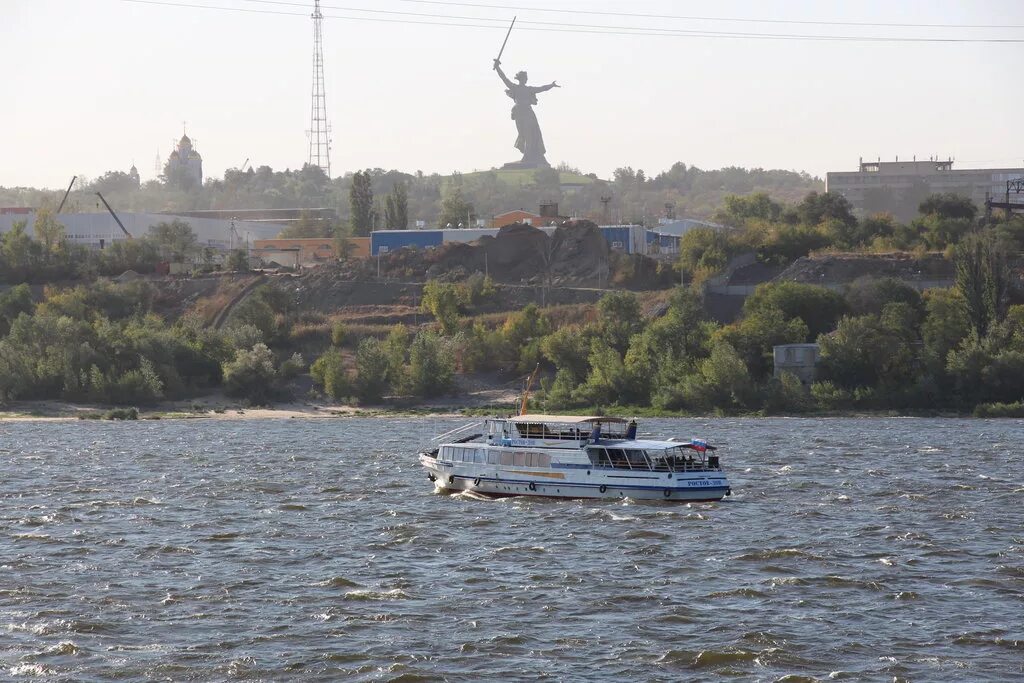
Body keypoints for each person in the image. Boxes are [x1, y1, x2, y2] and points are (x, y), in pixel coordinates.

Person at [493, 59, 559, 167]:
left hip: (528, 114)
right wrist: (498, 67)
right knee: (522, 134)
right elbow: (504, 78)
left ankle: (528, 156)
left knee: (530, 135)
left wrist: (551, 85)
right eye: (525, 78)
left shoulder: (529, 89)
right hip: (519, 113)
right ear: (521, 79)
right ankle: (529, 155)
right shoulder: (514, 87)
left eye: (526, 78)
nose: (526, 80)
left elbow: (542, 89)